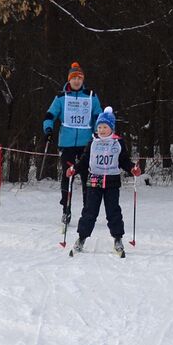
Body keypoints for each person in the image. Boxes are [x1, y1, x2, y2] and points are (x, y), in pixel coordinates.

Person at [67, 108, 140, 256]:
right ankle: (81, 238)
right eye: (99, 127)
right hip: (94, 181)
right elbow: (84, 161)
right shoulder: (93, 142)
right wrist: (74, 169)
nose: (101, 130)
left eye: (105, 127)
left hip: (112, 182)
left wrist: (132, 169)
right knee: (89, 211)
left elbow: (124, 161)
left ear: (111, 128)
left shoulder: (118, 142)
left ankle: (118, 239)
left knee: (113, 212)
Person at [42, 62, 102, 224]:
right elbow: (50, 115)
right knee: (68, 175)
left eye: (79, 78)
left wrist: (99, 132)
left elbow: (98, 116)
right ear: (69, 80)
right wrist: (48, 130)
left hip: (86, 144)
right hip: (67, 143)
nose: (76, 81)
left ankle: (87, 209)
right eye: (74, 78)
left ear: (83, 80)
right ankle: (66, 209)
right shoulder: (61, 97)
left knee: (86, 176)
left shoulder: (91, 96)